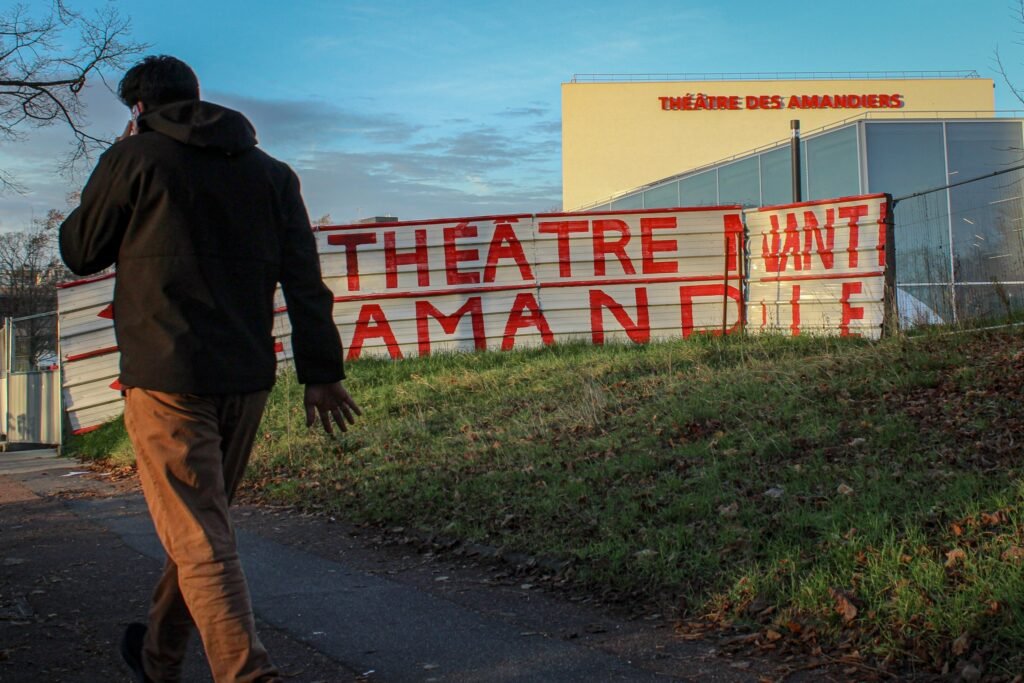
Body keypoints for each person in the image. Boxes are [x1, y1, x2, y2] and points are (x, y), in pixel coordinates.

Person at [59, 55, 360, 683]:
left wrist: (115, 158)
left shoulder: (134, 159)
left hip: (166, 376)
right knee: (202, 529)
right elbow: (305, 280)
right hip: (245, 378)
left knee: (199, 537)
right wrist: (321, 373)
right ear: (196, 97)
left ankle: (248, 675)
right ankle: (158, 658)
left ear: (139, 109)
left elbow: (81, 251)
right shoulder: (272, 174)